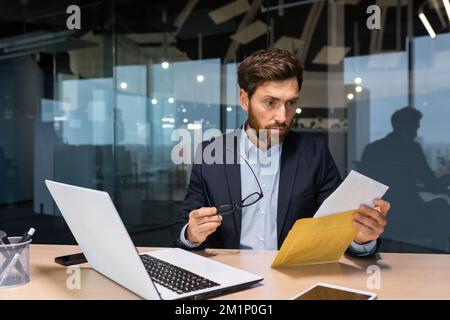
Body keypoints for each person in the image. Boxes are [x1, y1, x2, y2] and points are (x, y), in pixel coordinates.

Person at [172, 48, 390, 256]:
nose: (283, 117)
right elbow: (182, 230)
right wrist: (192, 234)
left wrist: (361, 239)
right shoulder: (212, 153)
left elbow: (337, 230)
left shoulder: (315, 154)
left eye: (291, 103)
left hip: (293, 277)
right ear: (244, 99)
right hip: (228, 274)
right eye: (270, 102)